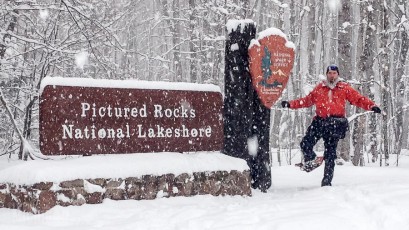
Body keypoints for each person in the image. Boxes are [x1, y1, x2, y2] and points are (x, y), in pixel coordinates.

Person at [281, 64, 381, 186]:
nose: (332, 75)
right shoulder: (320, 88)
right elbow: (307, 101)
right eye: (329, 73)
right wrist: (290, 104)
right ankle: (312, 160)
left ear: (338, 75)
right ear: (326, 74)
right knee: (305, 143)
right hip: (319, 121)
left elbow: (358, 99)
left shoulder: (344, 88)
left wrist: (372, 105)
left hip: (335, 123)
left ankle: (326, 183)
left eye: (334, 73)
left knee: (330, 153)